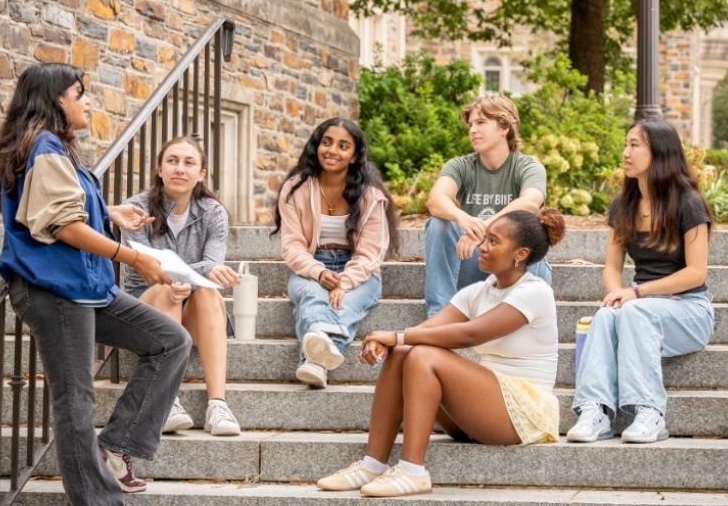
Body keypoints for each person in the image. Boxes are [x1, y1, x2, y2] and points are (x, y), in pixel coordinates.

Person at [0, 62, 190, 502]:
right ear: (56, 100)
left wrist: (109, 213)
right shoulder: (43, 147)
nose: (86, 102)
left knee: (170, 341)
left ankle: (115, 447)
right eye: (79, 94)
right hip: (56, 291)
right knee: (75, 399)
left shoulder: (54, 149)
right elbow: (62, 227)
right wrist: (133, 256)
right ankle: (96, 498)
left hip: (84, 287)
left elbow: (65, 211)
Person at [315, 208, 564, 497]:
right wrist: (390, 343)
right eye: (485, 238)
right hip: (482, 412)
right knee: (405, 352)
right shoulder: (479, 292)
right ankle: (372, 464)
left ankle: (412, 471)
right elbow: (427, 330)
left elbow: (471, 334)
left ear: (520, 254)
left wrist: (395, 336)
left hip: (523, 413)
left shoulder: (535, 291)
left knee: (423, 354)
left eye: (493, 242)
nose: (481, 247)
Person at [566, 119, 715, 445]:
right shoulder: (624, 206)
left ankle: (650, 411)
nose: (626, 152)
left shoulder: (689, 203)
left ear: (660, 152)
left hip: (689, 309)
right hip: (643, 307)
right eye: (626, 144)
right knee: (606, 315)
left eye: (635, 145)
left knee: (635, 312)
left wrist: (636, 293)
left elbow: (696, 273)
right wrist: (617, 294)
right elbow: (611, 267)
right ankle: (597, 411)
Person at [121, 135, 242, 436]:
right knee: (166, 289)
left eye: (189, 163)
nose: (180, 169)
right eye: (172, 161)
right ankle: (168, 400)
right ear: (159, 169)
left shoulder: (213, 212)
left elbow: (212, 266)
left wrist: (194, 276)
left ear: (201, 174)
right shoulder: (135, 208)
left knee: (209, 293)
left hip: (193, 310)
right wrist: (185, 276)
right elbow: (143, 266)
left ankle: (218, 405)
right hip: (145, 303)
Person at [273, 117, 399, 388]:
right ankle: (319, 359)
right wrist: (319, 273)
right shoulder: (295, 189)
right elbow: (292, 246)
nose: (332, 151)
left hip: (359, 272)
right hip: (310, 265)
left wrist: (344, 282)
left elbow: (370, 253)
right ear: (316, 146)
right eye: (326, 142)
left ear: (354, 156)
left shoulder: (370, 195)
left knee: (341, 304)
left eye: (343, 146)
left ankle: (313, 362)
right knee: (310, 295)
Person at [424, 93, 551, 317]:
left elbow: (530, 202)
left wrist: (484, 229)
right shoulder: (460, 166)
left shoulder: (528, 166)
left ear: (504, 127)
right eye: (471, 124)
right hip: (473, 262)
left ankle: (519, 317)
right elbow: (436, 199)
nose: (473, 129)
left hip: (513, 267)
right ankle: (439, 317)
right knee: (438, 224)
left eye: (481, 122)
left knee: (532, 234)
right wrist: (462, 218)